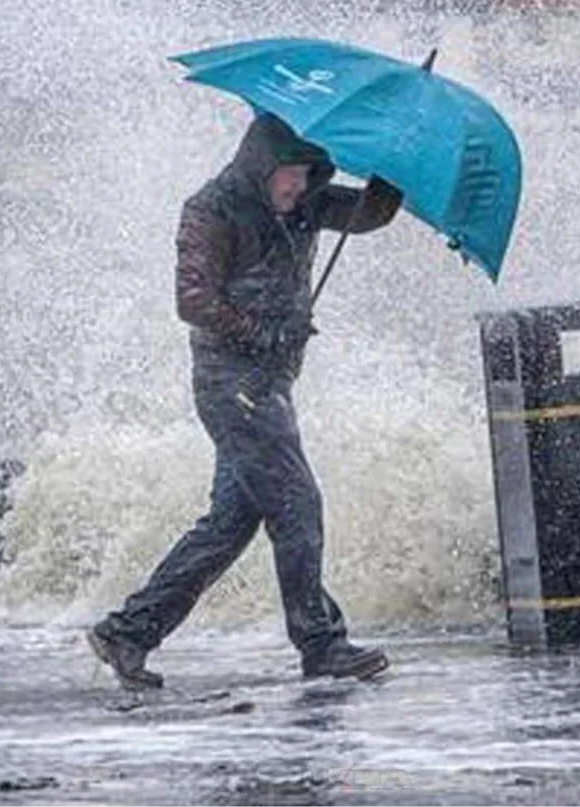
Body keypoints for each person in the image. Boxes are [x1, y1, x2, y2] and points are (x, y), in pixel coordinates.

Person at [87, 113, 403, 690]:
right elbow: (193, 301)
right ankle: (321, 643)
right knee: (297, 502)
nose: (298, 187)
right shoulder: (211, 210)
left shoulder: (306, 202)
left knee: (230, 523)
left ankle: (128, 632)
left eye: (309, 174)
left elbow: (368, 215)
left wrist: (393, 170)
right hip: (231, 383)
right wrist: (262, 334)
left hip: (270, 384)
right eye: (289, 174)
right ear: (261, 165)